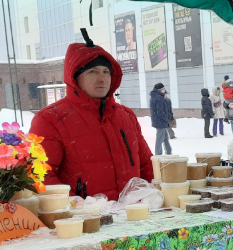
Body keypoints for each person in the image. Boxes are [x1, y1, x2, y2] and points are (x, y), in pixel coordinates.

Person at [30, 33, 153, 200]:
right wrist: (79, 207)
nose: (102, 78)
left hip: (133, 216)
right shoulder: (50, 119)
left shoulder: (126, 116)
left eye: (106, 71)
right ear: (75, 77)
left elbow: (147, 165)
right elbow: (40, 173)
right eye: (93, 71)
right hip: (86, 221)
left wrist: (152, 196)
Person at [150, 83, 172, 155]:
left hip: (158, 121)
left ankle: (168, 151)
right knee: (160, 138)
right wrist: (165, 118)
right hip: (160, 121)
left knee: (165, 137)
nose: (164, 90)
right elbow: (160, 111)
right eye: (163, 89)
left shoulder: (155, 97)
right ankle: (158, 154)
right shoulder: (159, 98)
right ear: (160, 90)